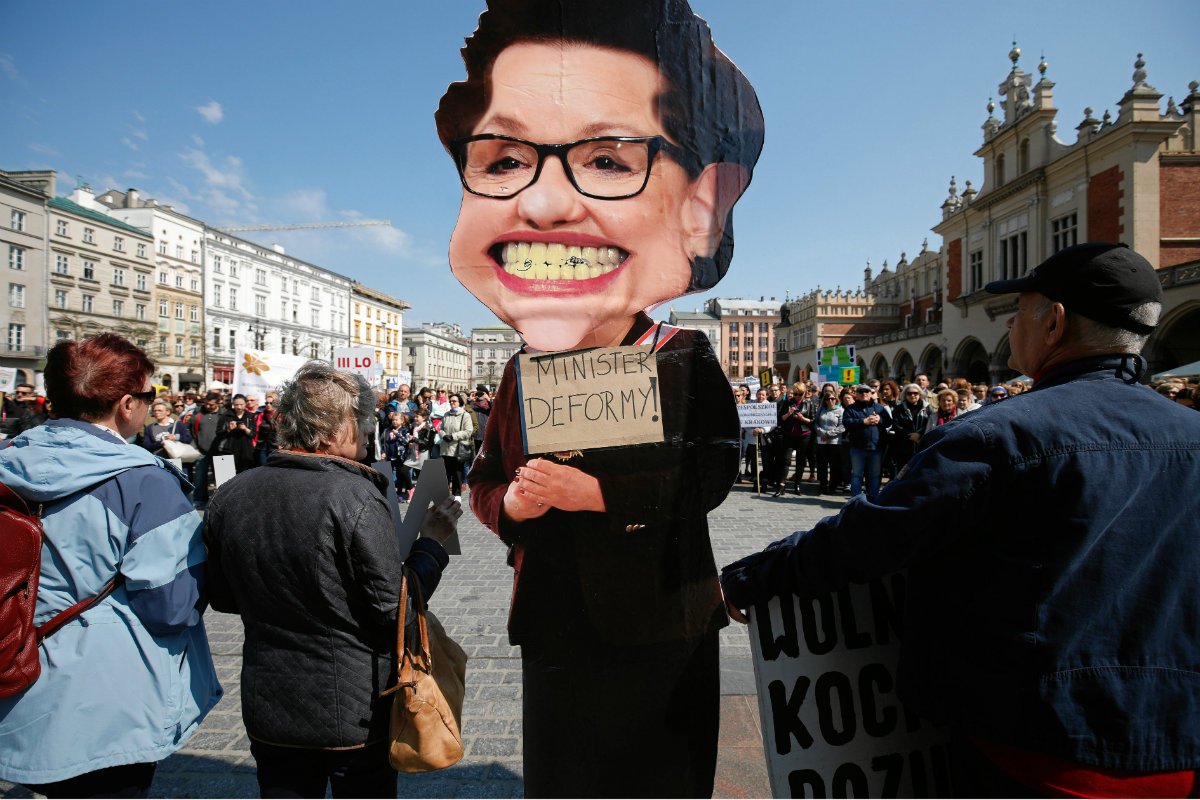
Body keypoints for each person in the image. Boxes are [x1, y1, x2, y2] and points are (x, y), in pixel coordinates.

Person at [721, 242, 1200, 796]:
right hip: (1176, 740)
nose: (1014, 322)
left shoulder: (1003, 433)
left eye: (1020, 308)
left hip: (1034, 742)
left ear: (1055, 324)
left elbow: (874, 535)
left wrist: (753, 578)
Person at [439, 0, 762, 793]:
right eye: (505, 160)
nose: (546, 204)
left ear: (703, 205)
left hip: (664, 619)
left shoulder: (682, 355)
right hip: (556, 625)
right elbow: (482, 482)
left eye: (610, 160)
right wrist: (512, 506)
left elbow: (712, 477)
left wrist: (600, 494)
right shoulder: (521, 369)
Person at [203, 361, 461, 798]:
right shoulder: (354, 493)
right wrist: (431, 544)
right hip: (353, 711)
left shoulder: (233, 493)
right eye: (362, 422)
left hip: (270, 706)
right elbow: (395, 612)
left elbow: (224, 597)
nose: (367, 432)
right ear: (339, 425)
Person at [0, 334, 220, 796]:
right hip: (104, 697)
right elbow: (172, 607)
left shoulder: (9, 460)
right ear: (126, 404)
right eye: (148, 397)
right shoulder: (144, 482)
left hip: (16, 670)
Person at [841, 383, 891, 499]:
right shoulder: (850, 408)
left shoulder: (879, 408)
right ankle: (856, 499)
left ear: (871, 394)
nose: (864, 394)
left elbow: (889, 422)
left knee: (875, 475)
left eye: (867, 392)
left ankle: (873, 498)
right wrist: (864, 421)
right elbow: (847, 422)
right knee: (857, 475)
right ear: (856, 395)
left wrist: (880, 419)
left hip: (876, 447)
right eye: (861, 392)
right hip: (857, 448)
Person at [438, 392, 474, 502]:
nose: (452, 403)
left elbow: (468, 431)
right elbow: (441, 428)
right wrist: (444, 435)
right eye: (451, 401)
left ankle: (457, 493)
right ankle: (445, 494)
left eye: (454, 401)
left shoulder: (465, 415)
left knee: (457, 472)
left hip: (458, 448)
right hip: (446, 447)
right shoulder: (446, 414)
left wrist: (453, 436)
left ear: (460, 402)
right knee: (446, 472)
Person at [190, 391, 223, 506]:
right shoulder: (198, 415)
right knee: (199, 477)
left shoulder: (224, 415)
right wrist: (196, 447)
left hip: (219, 452)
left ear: (218, 403)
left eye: (211, 404)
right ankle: (199, 499)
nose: (208, 406)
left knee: (221, 478)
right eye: (206, 404)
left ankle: (221, 500)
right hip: (202, 451)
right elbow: (192, 432)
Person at [212, 393, 256, 473]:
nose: (239, 407)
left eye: (241, 404)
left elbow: (253, 434)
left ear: (245, 404)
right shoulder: (226, 415)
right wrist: (229, 429)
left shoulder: (250, 416)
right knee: (227, 476)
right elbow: (218, 433)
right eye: (236, 405)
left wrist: (245, 429)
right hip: (228, 450)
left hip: (245, 452)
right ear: (233, 404)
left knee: (243, 477)